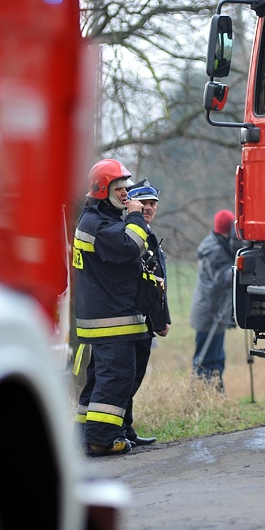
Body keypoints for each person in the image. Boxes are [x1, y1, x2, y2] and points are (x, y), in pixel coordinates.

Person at [72, 158, 157, 456]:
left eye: (126, 188)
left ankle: (94, 432)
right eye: (119, 189)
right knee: (116, 377)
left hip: (113, 316)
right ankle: (101, 439)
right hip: (111, 319)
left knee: (102, 379)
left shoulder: (101, 221)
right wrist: (136, 218)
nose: (126, 195)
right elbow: (130, 246)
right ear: (101, 191)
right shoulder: (98, 225)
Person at [121, 179, 171, 445]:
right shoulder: (131, 234)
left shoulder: (150, 235)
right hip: (132, 318)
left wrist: (164, 319)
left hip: (147, 319)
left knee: (136, 376)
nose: (149, 208)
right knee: (126, 378)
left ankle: (126, 428)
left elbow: (159, 282)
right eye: (144, 203)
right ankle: (120, 429)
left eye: (153, 204)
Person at [190, 209, 237, 390]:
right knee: (205, 357)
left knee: (217, 356)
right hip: (210, 312)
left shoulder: (220, 243)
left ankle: (215, 391)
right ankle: (201, 392)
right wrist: (239, 267)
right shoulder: (214, 250)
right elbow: (222, 278)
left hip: (216, 310)